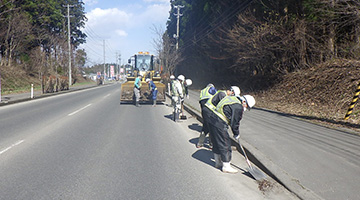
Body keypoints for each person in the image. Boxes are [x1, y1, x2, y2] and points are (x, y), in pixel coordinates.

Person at [208, 94, 256, 174]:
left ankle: (218, 162)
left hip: (212, 119)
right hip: (219, 122)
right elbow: (235, 123)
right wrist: (236, 134)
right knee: (225, 143)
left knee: (216, 142)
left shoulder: (232, 98)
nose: (245, 108)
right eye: (246, 106)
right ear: (244, 101)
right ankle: (226, 166)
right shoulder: (238, 106)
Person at [197, 83, 217, 148]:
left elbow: (200, 101)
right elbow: (216, 98)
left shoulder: (203, 90)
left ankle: (200, 143)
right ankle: (211, 144)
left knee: (206, 124)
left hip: (204, 108)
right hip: (210, 107)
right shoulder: (212, 89)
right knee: (211, 125)